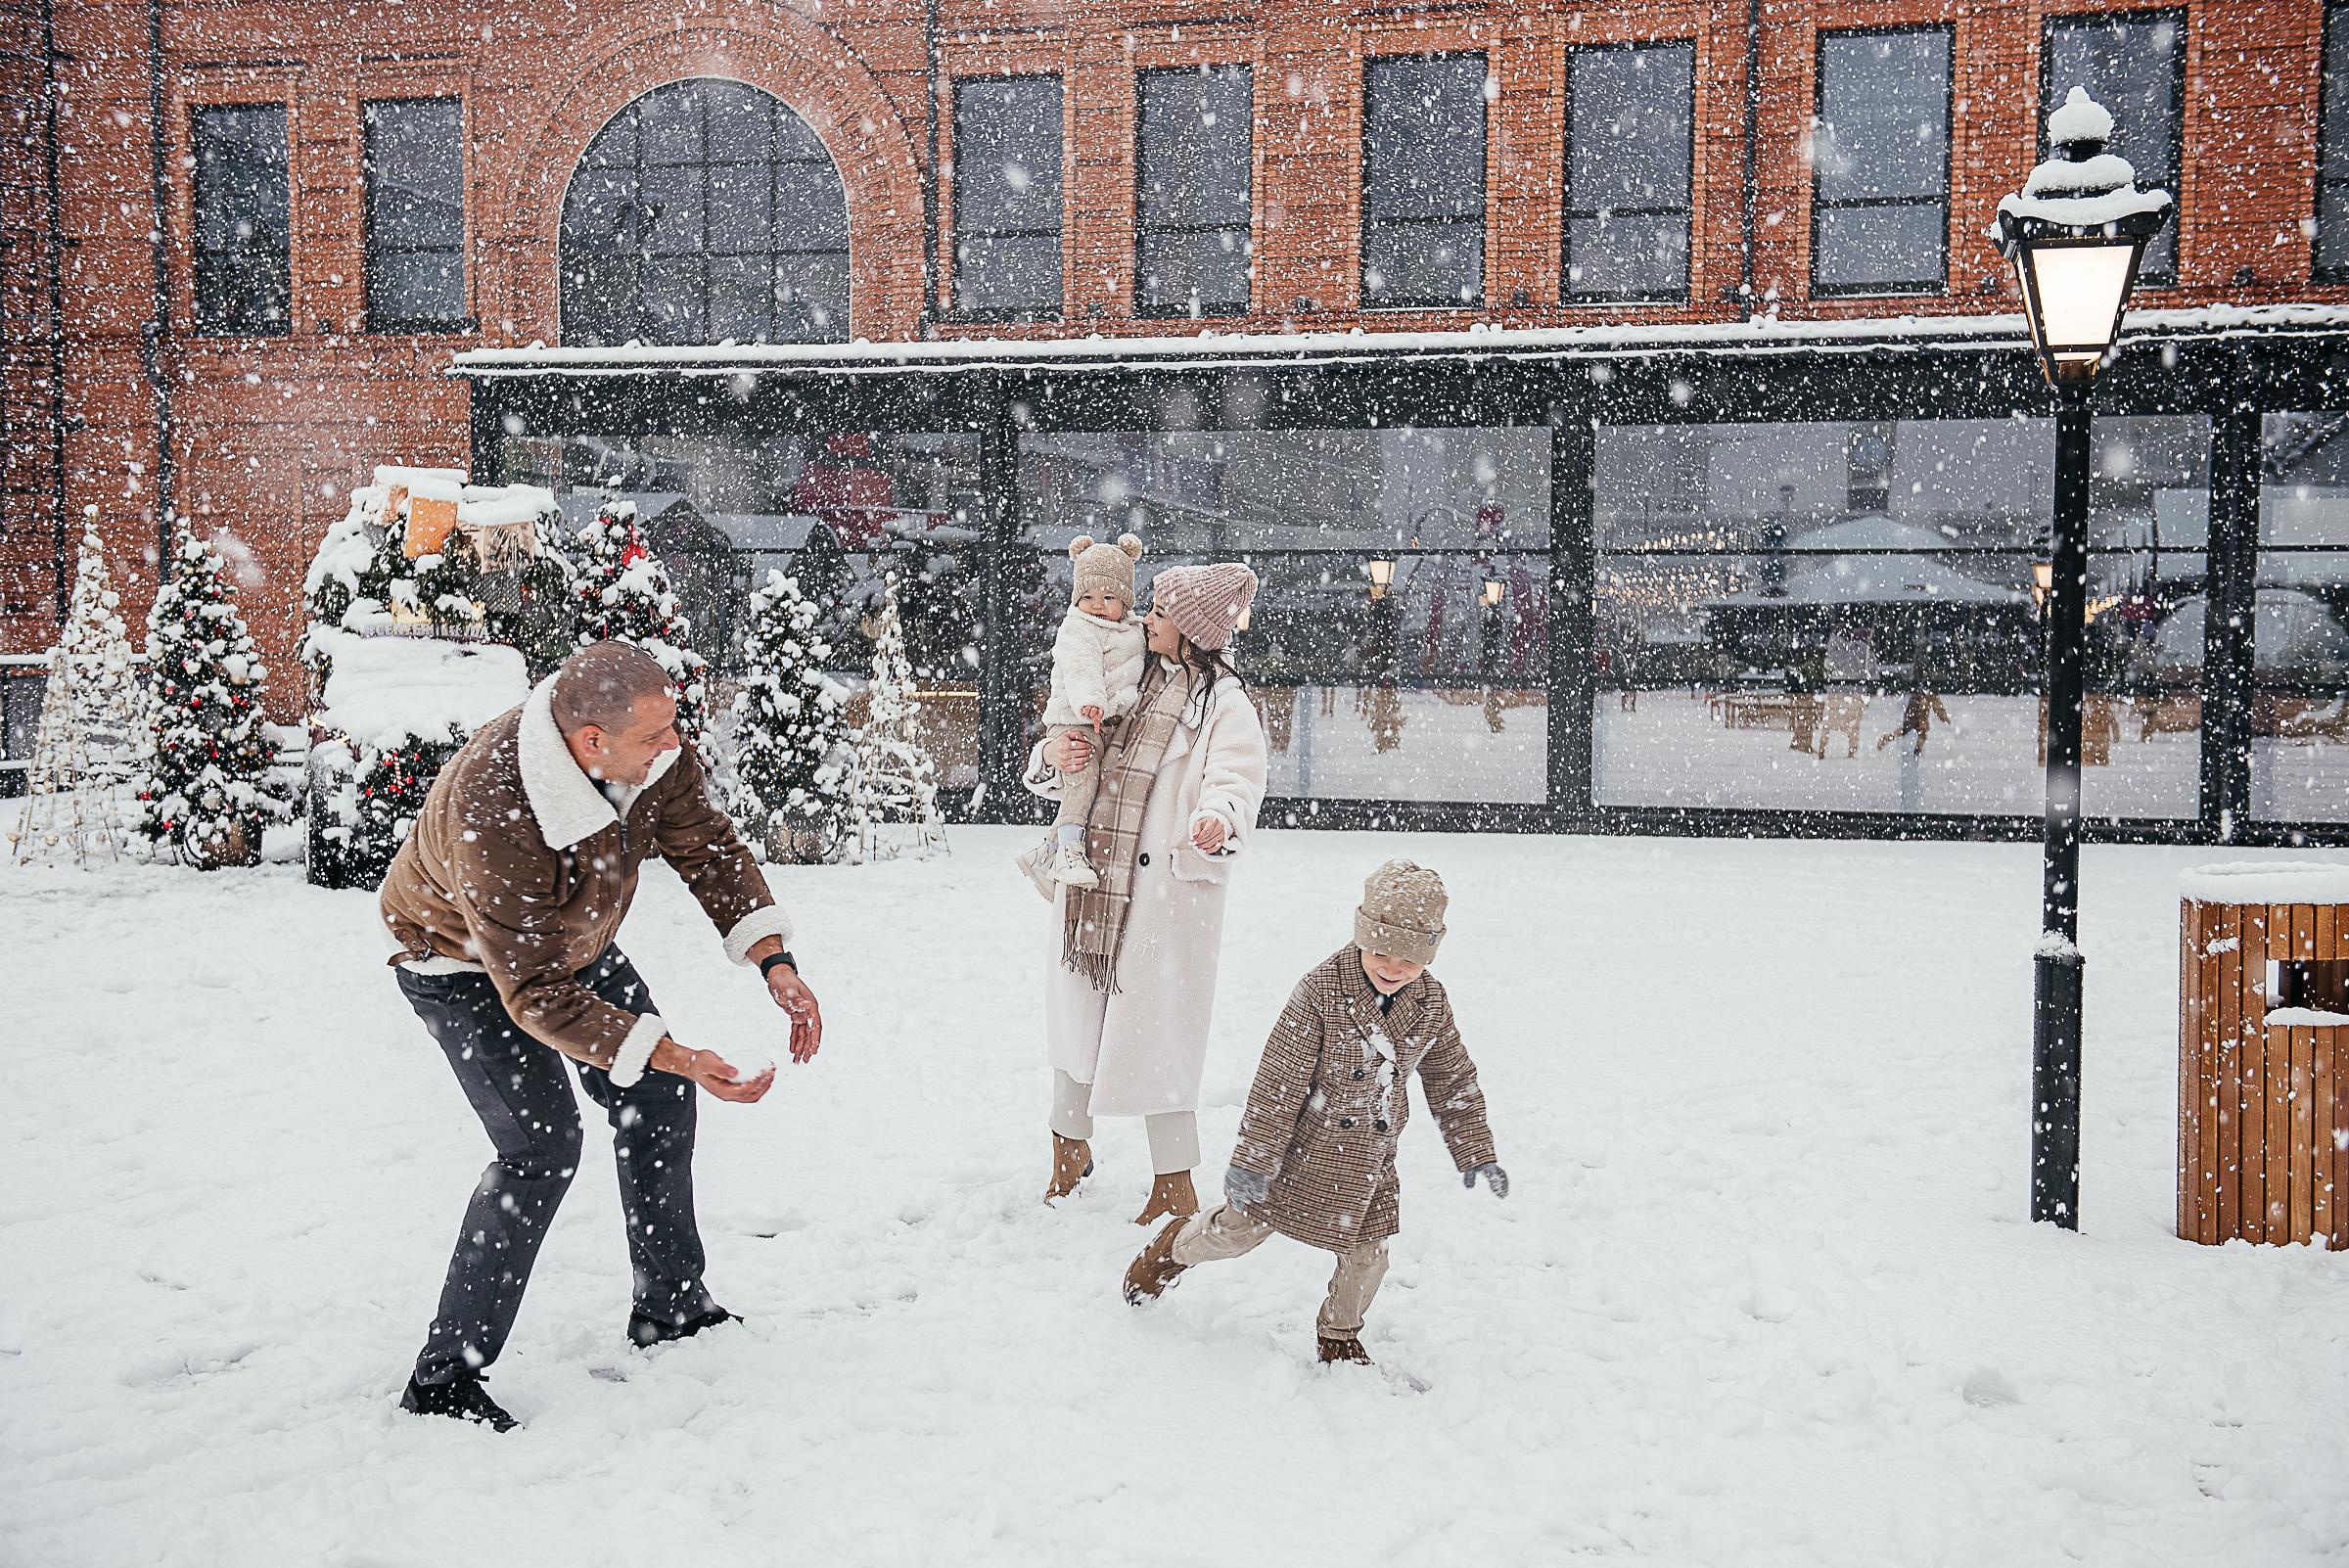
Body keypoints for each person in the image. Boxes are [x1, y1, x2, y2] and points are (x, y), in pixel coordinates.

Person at [378, 640, 824, 1431]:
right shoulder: (496, 803)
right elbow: (536, 993)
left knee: (656, 1093)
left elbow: (705, 845)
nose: (672, 747)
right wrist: (678, 1051)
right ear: (590, 741)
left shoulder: (646, 753)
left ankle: (671, 1307)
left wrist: (772, 959)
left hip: (565, 944)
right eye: (655, 735)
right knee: (541, 1147)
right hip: (460, 963)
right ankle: (443, 1380)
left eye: (671, 729)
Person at [1122, 860, 1506, 1366]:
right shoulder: (1321, 991)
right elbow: (1276, 1087)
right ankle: (1174, 1248)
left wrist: (1474, 1150)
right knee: (1236, 1234)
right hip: (1300, 1152)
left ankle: (1339, 1334)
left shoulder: (1431, 1001)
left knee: (1368, 1258)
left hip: (1369, 1160)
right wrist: (1252, 1164)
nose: (1393, 969)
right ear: (1362, 935)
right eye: (1381, 952)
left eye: (1409, 960)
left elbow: (1451, 1076)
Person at [1027, 562, 1268, 1224]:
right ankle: (1067, 1149)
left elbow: (1237, 778)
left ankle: (1174, 1182)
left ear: (1189, 629)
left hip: (1163, 893)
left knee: (1157, 1037)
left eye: (1159, 611)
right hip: (1095, 882)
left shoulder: (1224, 704)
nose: (1144, 618)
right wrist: (1054, 759)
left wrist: (1218, 820)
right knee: (1079, 1023)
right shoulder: (1127, 674)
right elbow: (1066, 734)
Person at [1016, 533, 1149, 893]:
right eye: (1088, 597)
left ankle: (1046, 852)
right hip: (1076, 716)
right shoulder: (1078, 626)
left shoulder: (1134, 631)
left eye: (1109, 597)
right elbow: (1081, 667)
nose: (1097, 605)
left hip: (1105, 720)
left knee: (1088, 785)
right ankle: (1069, 847)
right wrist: (1091, 700)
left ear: (1126, 600)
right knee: (1083, 775)